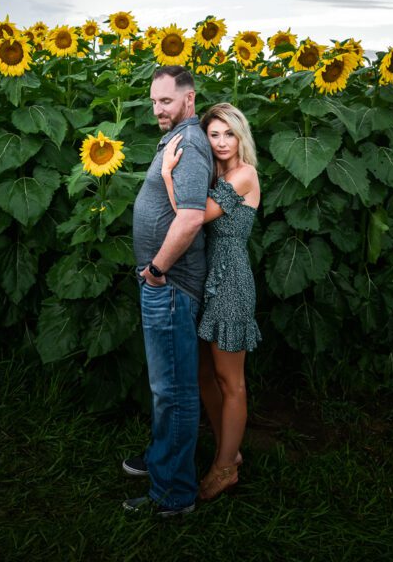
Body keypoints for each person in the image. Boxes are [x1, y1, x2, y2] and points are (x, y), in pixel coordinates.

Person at [122, 65, 214, 518]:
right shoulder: (177, 137)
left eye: (166, 101)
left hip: (171, 283)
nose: (157, 109)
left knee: (174, 390)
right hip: (163, 281)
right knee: (166, 388)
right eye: (154, 101)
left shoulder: (192, 144)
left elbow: (192, 216)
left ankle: (175, 495)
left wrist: (157, 269)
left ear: (189, 99)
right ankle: (162, 463)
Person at [161, 102, 261, 501]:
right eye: (213, 135)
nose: (221, 142)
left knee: (230, 380)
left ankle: (223, 469)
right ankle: (228, 452)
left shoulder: (243, 174)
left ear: (241, 137)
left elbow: (194, 215)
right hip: (209, 278)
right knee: (206, 374)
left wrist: (169, 175)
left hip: (232, 280)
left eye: (228, 134)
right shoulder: (219, 173)